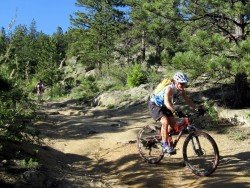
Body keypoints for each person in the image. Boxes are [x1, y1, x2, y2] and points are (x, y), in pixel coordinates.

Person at [148, 72, 204, 154]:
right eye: (181, 84)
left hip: (164, 106)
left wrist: (197, 108)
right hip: (154, 104)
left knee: (173, 125)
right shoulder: (169, 88)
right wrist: (175, 111)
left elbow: (187, 100)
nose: (183, 86)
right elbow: (167, 102)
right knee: (165, 121)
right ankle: (164, 145)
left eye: (184, 84)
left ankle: (167, 136)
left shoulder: (180, 89)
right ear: (176, 82)